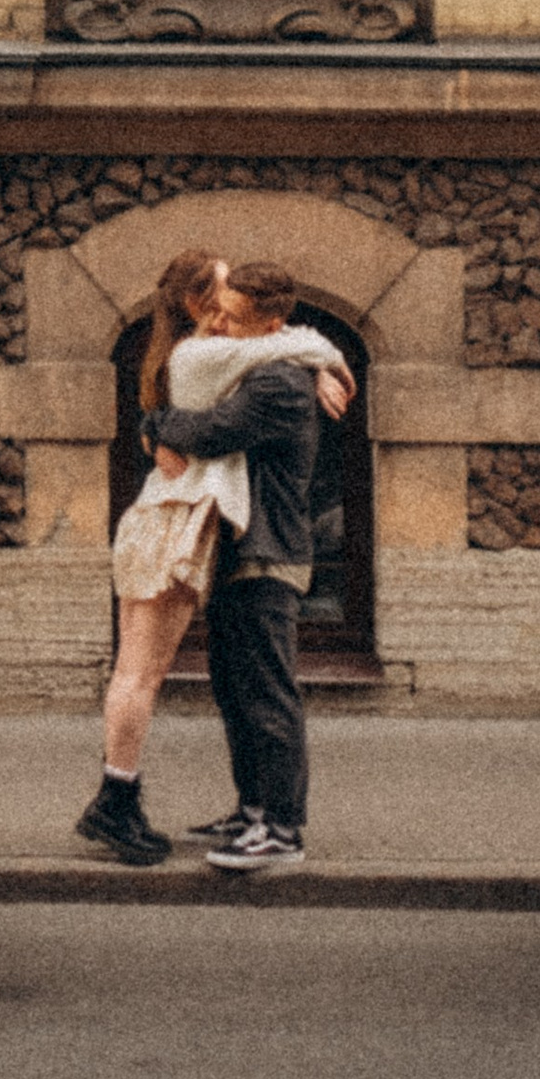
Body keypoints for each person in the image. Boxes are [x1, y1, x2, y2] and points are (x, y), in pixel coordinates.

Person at [148, 257, 348, 873]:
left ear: (272, 324)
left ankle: (282, 828)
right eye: (218, 313)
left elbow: (208, 431)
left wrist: (156, 423)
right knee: (235, 692)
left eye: (234, 318)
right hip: (240, 551)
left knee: (267, 694)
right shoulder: (262, 366)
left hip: (268, 555)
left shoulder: (280, 386)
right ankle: (253, 807)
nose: (221, 327)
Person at [73, 249, 226, 867]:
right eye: (223, 285)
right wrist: (324, 364)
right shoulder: (203, 353)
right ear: (195, 300)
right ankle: (114, 800)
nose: (236, 294)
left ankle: (119, 796)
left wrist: (152, 431)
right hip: (170, 527)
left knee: (132, 673)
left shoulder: (167, 356)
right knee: (141, 675)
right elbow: (276, 348)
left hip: (151, 519)